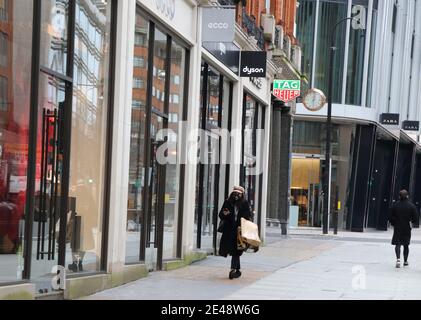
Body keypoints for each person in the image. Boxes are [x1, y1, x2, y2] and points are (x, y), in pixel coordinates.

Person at [218, 186, 253, 280]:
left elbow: (248, 215)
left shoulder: (245, 203)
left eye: (238, 194)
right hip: (229, 231)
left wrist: (243, 218)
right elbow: (221, 214)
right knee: (234, 251)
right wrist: (225, 214)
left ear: (242, 195)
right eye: (234, 193)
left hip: (240, 231)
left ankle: (233, 269)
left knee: (236, 251)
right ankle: (237, 270)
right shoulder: (228, 202)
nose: (236, 195)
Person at [389, 190, 418, 268]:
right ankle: (405, 261)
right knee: (406, 244)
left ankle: (398, 259)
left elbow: (390, 216)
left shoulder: (395, 205)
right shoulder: (411, 206)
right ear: (407, 196)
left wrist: (394, 223)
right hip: (407, 228)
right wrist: (411, 222)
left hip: (398, 227)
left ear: (399, 196)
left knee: (397, 244)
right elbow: (415, 218)